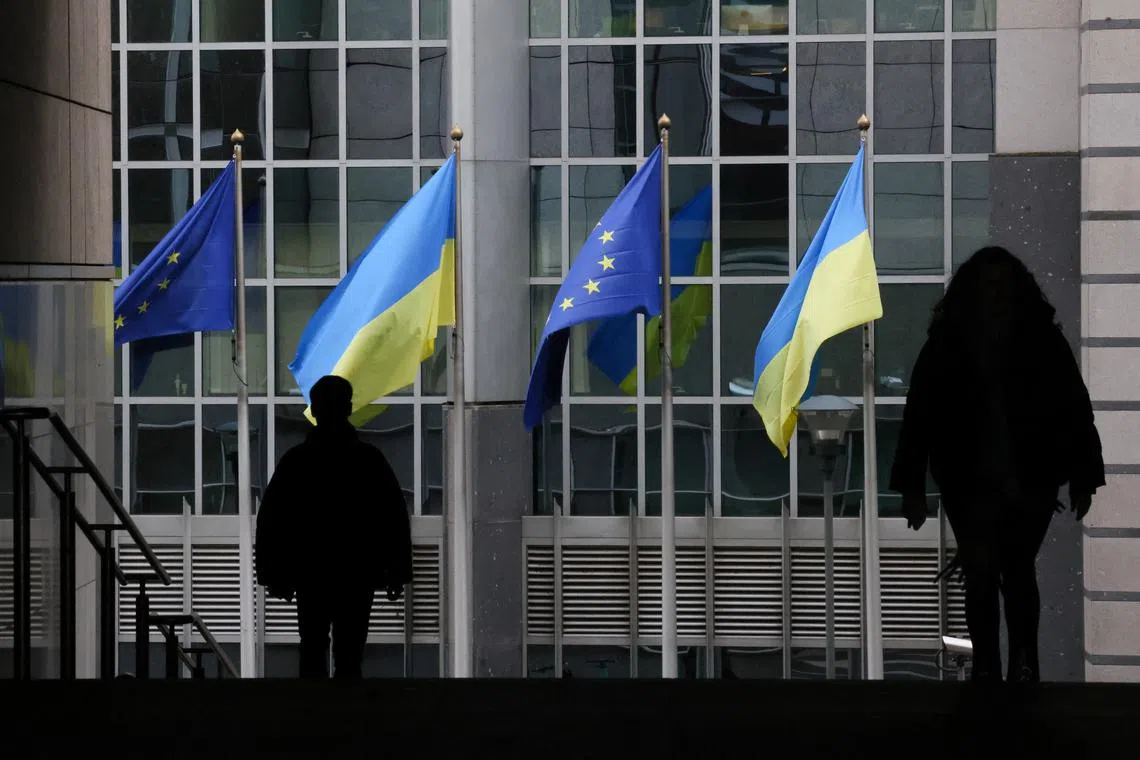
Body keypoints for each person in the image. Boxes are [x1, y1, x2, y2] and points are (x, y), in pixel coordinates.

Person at [889, 246, 1104, 683]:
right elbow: (1075, 409)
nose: (995, 295)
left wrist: (913, 488)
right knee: (1011, 570)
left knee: (986, 571)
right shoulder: (1041, 340)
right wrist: (1083, 478)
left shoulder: (948, 343)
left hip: (980, 480)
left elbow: (919, 416)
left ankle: (991, 667)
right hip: (1018, 478)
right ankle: (1019, 666)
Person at [256, 375, 412, 678]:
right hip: (357, 569)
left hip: (310, 570)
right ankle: (348, 718)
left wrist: (273, 573)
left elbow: (273, 520)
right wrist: (397, 571)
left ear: (314, 410)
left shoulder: (297, 462)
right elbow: (392, 517)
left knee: (312, 647)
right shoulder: (368, 460)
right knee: (350, 652)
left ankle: (313, 718)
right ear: (349, 407)